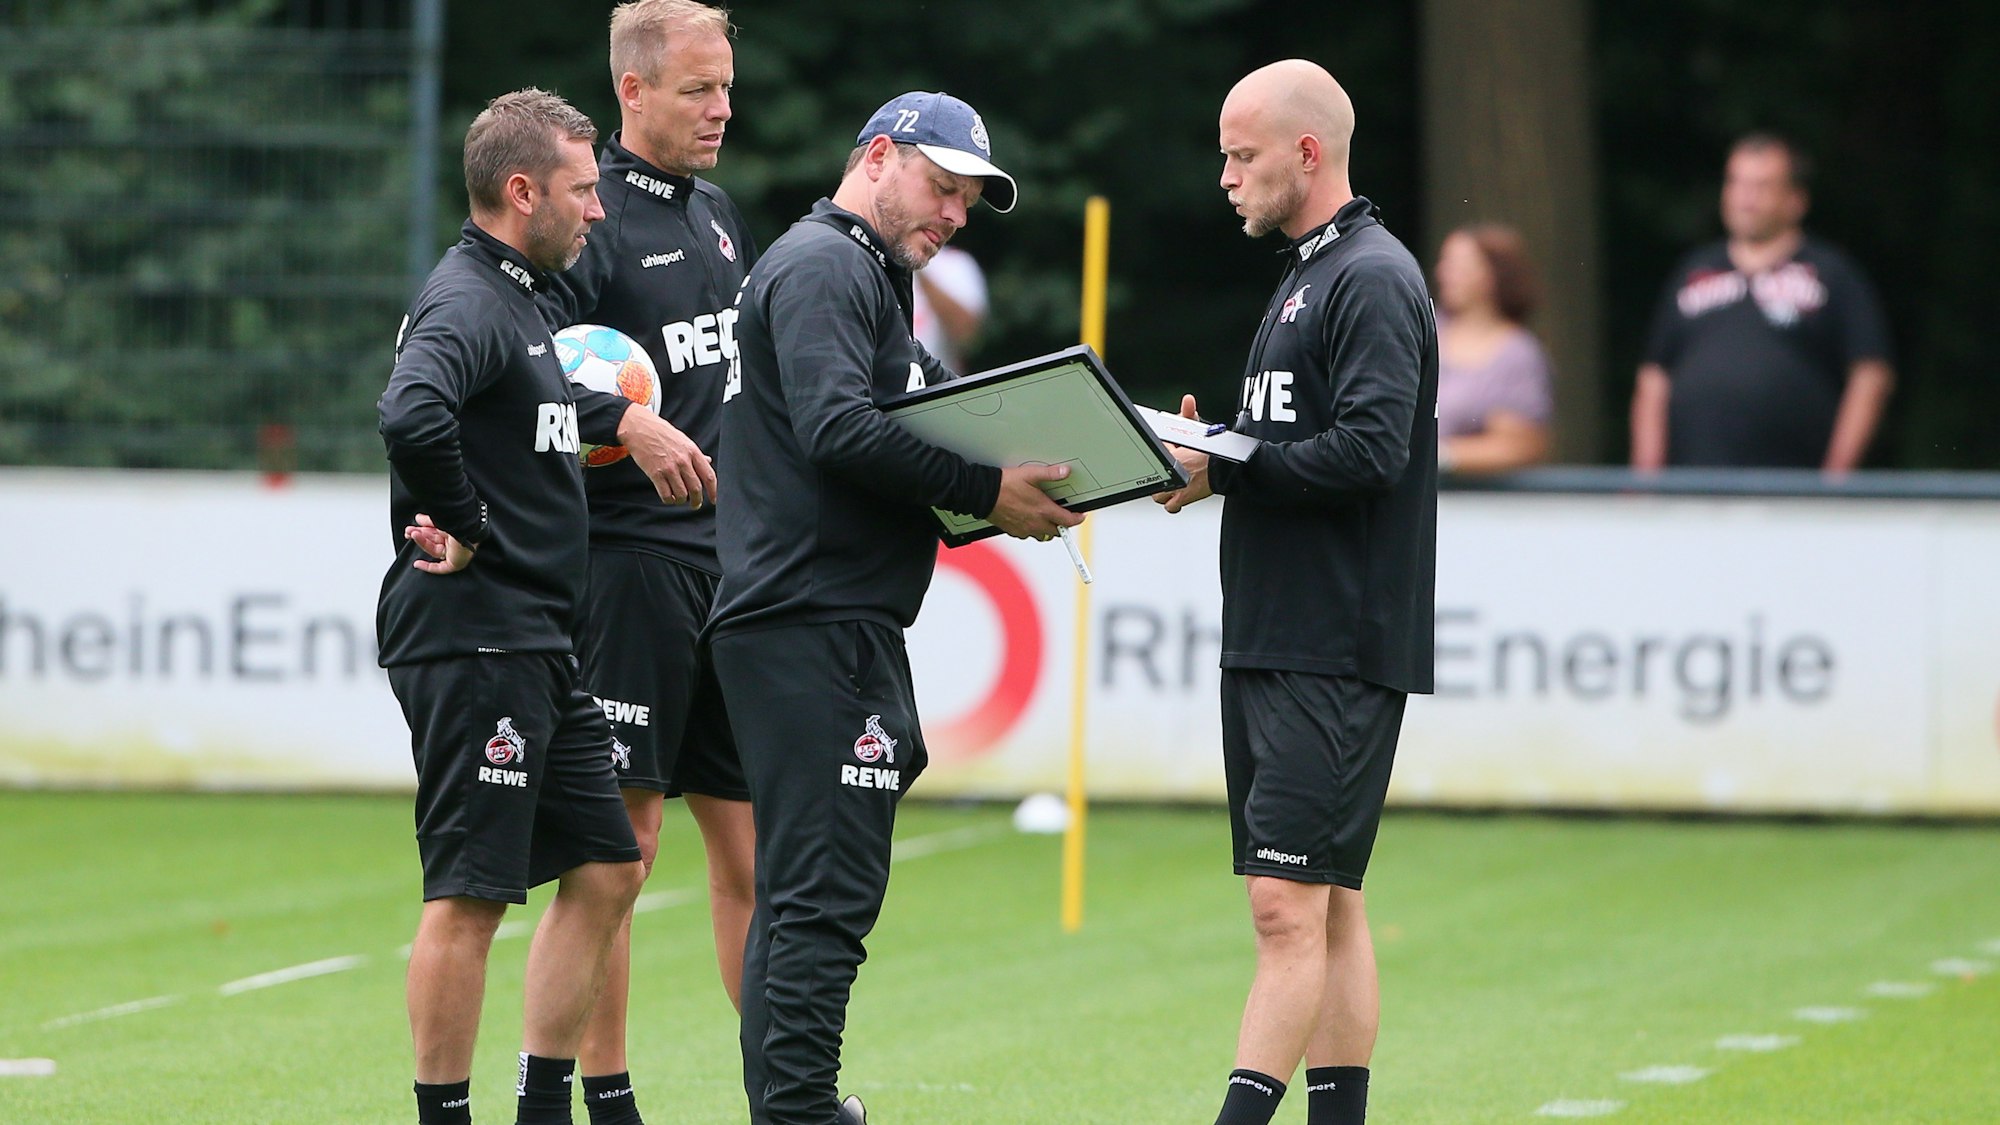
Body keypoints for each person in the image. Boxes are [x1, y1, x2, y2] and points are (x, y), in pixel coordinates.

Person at [708, 91, 1080, 1125]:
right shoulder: (828, 264)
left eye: (968, 200)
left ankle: (796, 1109)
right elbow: (837, 430)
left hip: (818, 618)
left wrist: (1029, 481)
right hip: (807, 619)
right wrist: (984, 493)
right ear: (876, 156)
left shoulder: (859, 271)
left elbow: (914, 433)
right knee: (819, 894)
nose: (955, 215)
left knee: (808, 891)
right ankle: (799, 1112)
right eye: (942, 187)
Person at [1156, 60, 1438, 1125]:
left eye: (1241, 154)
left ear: (1305, 153)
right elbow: (1294, 447)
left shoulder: (1367, 275)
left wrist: (1226, 464)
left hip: (1335, 636)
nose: (1223, 176)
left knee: (1284, 907)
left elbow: (1369, 452)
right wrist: (1210, 448)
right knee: (1326, 905)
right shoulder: (1303, 272)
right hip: (1279, 632)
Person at [376, 88, 645, 1125]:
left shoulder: (523, 298)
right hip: (473, 633)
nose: (598, 209)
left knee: (611, 870)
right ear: (520, 190)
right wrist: (469, 519)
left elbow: (523, 413)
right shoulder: (468, 298)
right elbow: (410, 413)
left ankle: (544, 1106)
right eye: (583, 190)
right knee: (471, 894)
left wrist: (622, 417)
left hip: (537, 637)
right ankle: (443, 1115)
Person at [536, 5, 758, 1122]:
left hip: (735, 574)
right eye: (696, 91)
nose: (721, 108)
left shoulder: (717, 215)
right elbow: (520, 372)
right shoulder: (587, 224)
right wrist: (622, 425)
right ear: (633, 89)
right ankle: (607, 1094)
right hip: (625, 567)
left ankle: (784, 1087)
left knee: (757, 852)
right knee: (620, 849)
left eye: (725, 87)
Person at [1629, 133, 1895, 472]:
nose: (1746, 198)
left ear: (1796, 200)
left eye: (1762, 186)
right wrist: (1646, 477)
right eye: (1737, 183)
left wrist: (1836, 477)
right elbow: (1653, 378)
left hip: (1791, 492)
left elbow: (1870, 375)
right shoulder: (1693, 272)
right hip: (1691, 490)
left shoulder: (1833, 274)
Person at [1432, 223, 1554, 474]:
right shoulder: (1424, 330)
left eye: (1459, 266)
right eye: (1445, 263)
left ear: (1492, 275)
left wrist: (1443, 455)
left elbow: (1519, 445)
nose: (1444, 273)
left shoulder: (1516, 355)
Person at [910, 244, 988, 371]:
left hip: (939, 385)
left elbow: (967, 333)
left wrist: (917, 267)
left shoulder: (955, 263)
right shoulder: (870, 262)